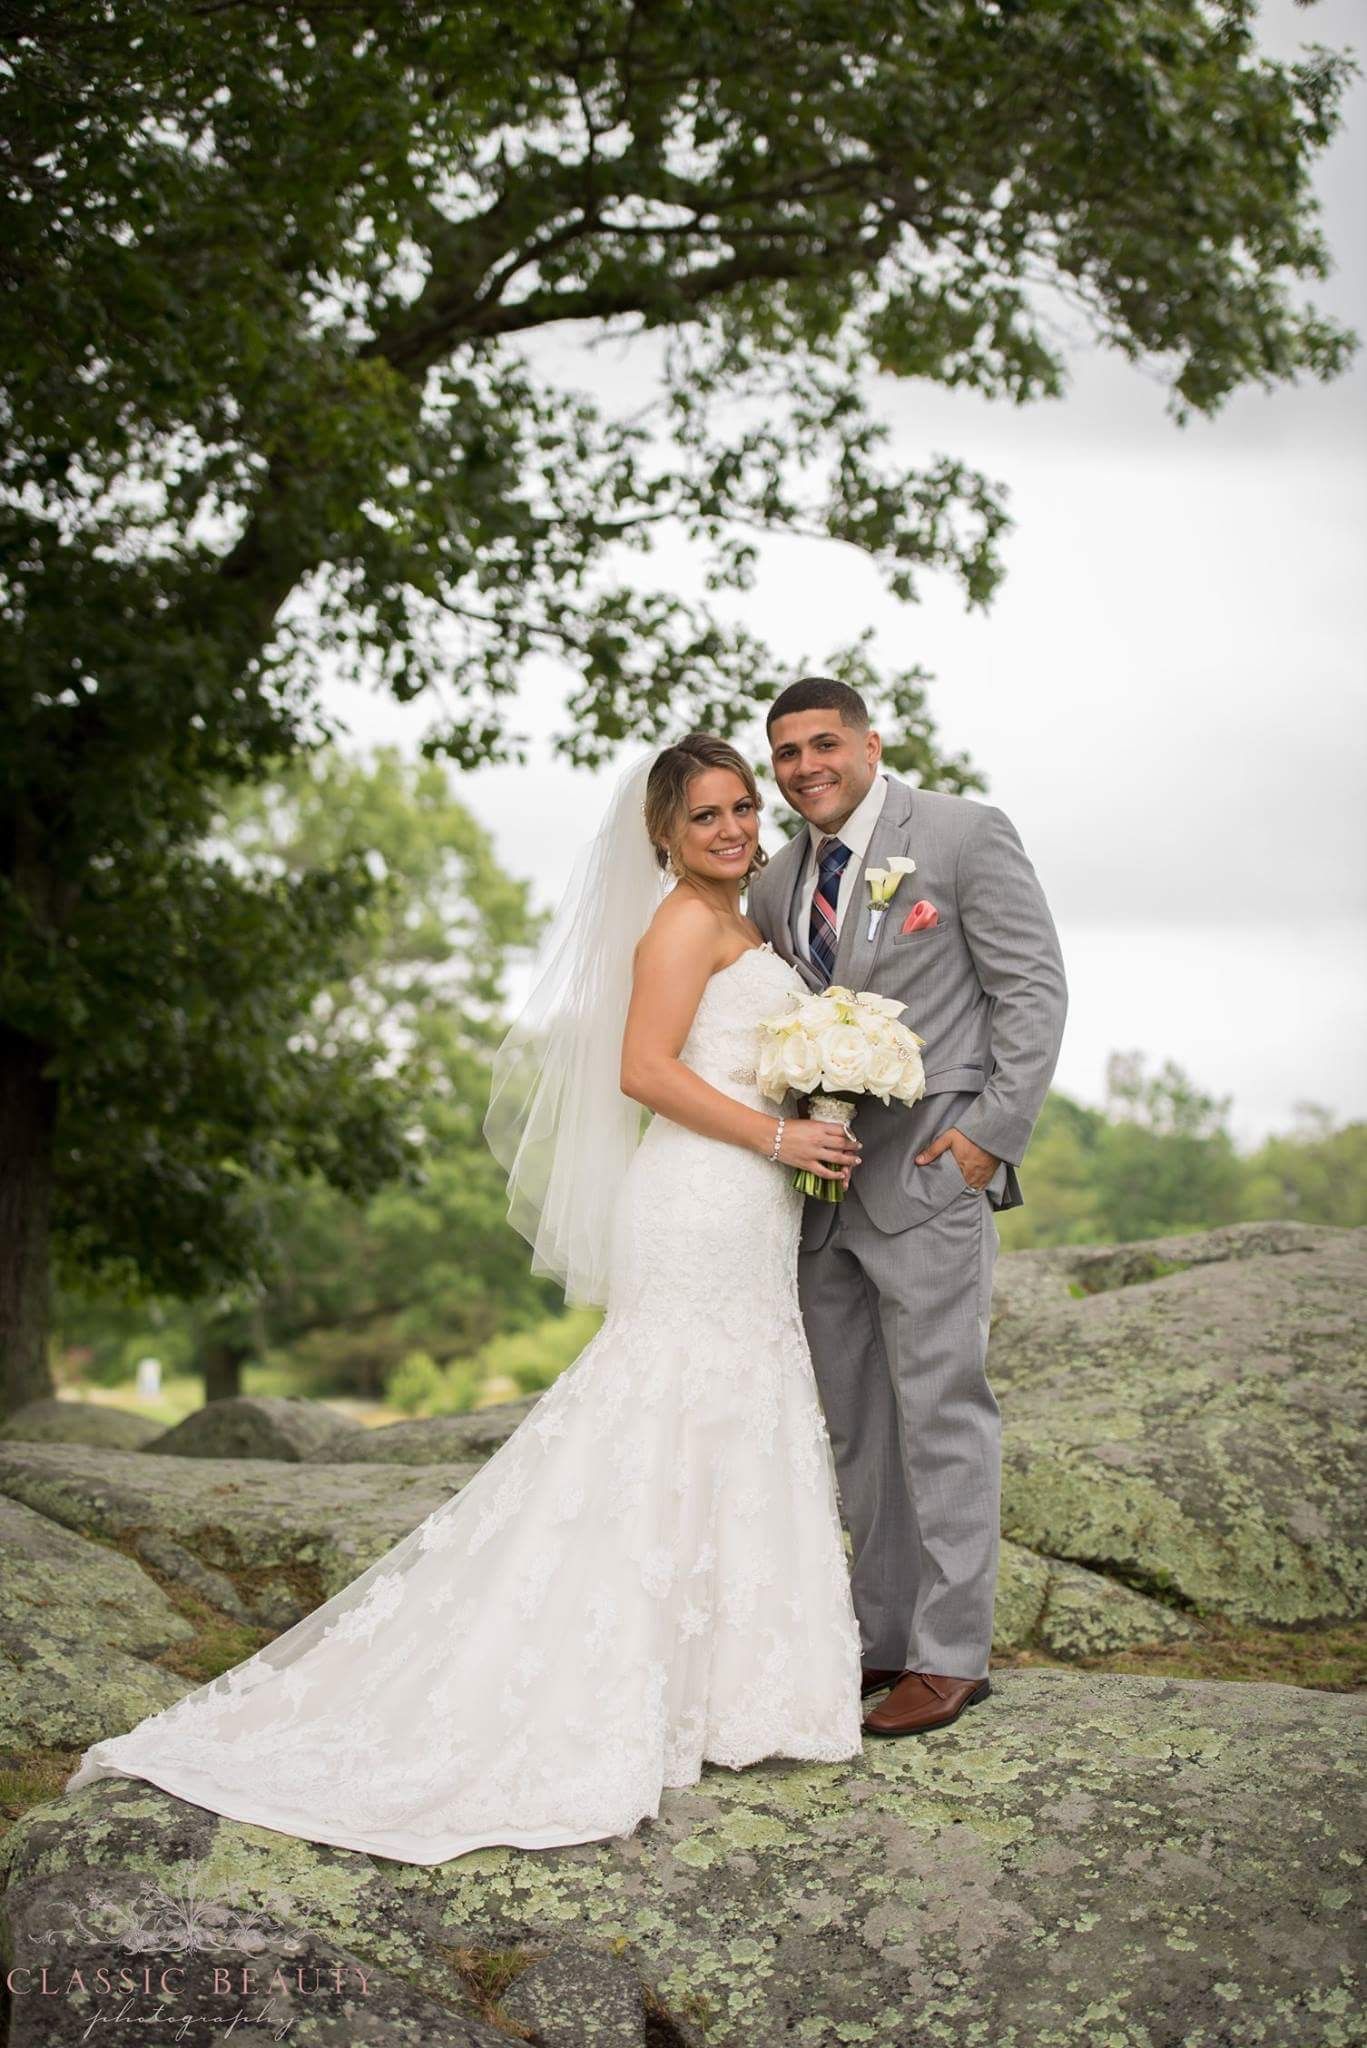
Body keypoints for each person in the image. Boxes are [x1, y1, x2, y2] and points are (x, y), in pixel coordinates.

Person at [63, 734, 866, 1865]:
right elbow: (643, 1069)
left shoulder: (746, 919)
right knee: (666, 1406)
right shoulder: (683, 924)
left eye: (742, 808)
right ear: (662, 836)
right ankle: (632, 1683)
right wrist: (777, 1128)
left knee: (729, 1408)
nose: (733, 828)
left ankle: (731, 1690)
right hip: (698, 1195)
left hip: (746, 1201)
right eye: (705, 817)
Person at [748, 678, 1068, 1737]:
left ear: (869, 743)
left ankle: (951, 1653)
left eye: (822, 743)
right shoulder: (776, 880)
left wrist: (985, 1138)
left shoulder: (964, 833)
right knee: (855, 1429)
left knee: (941, 1411)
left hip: (930, 1173)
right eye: (785, 752)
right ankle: (881, 1639)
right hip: (817, 1190)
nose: (803, 767)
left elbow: (1030, 989)